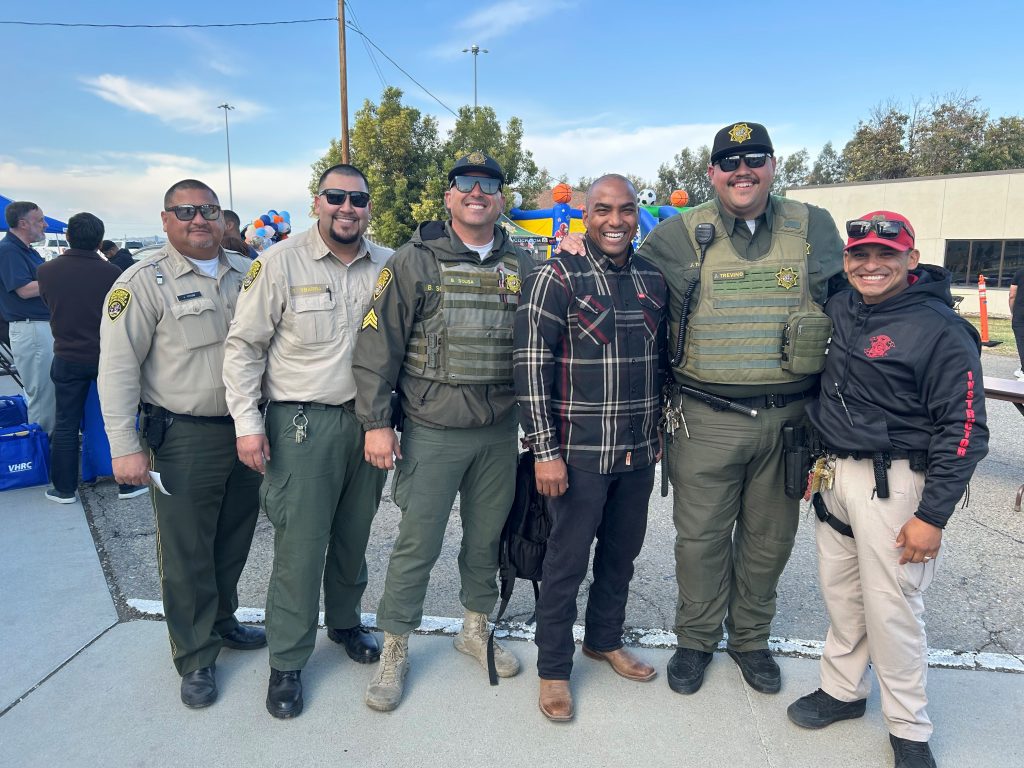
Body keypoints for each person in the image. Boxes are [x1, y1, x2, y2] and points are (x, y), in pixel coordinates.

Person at [564, 122, 845, 696]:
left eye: (755, 159)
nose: (743, 171)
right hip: (704, 417)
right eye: (729, 161)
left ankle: (749, 641)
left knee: (769, 541)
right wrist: (577, 245)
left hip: (789, 420)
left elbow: (853, 299)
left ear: (773, 165)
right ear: (712, 172)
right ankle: (695, 641)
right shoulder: (675, 235)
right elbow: (622, 270)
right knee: (700, 541)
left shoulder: (813, 225)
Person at [787, 211, 987, 768]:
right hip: (835, 476)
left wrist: (933, 517)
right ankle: (843, 692)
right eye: (861, 255)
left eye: (886, 255)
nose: (871, 265)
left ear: (911, 260)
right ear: (847, 260)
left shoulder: (941, 329)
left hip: (897, 483)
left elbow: (967, 429)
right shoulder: (841, 306)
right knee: (844, 598)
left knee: (893, 608)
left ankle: (908, 726)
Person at [352, 151, 531, 711]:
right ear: (449, 196)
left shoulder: (522, 262)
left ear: (501, 198)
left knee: (485, 542)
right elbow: (377, 346)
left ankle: (474, 629)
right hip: (432, 430)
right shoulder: (415, 260)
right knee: (416, 546)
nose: (477, 192)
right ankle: (395, 649)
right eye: (465, 184)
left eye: (489, 185)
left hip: (498, 431)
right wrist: (377, 424)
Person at [223, 164, 393, 719]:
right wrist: (247, 425)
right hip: (301, 424)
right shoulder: (277, 262)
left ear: (369, 205)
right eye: (335, 197)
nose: (347, 208)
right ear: (317, 202)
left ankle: (345, 622)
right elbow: (244, 347)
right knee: (299, 549)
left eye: (358, 199)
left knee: (353, 535)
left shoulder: (389, 265)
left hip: (368, 424)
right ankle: (288, 662)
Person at [98, 179, 265, 709]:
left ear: (223, 218)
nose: (200, 220)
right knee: (187, 549)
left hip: (247, 431)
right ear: (166, 219)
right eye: (186, 211)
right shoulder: (142, 282)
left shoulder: (250, 273)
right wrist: (124, 445)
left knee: (234, 538)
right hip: (185, 436)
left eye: (209, 210)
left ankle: (222, 620)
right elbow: (118, 368)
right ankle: (195, 656)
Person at [514, 174, 667, 721]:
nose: (616, 221)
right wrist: (543, 452)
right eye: (603, 210)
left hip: (637, 452)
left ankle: (604, 640)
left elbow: (661, 365)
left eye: (626, 210)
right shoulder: (557, 275)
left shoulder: (653, 278)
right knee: (565, 563)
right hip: (576, 454)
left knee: (621, 557)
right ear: (585, 214)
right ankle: (553, 669)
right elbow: (531, 366)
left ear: (636, 214)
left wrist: (660, 443)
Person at [37, 212, 145, 503]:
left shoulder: (46, 272)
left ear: (68, 237)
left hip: (67, 355)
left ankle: (63, 488)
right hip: (108, 356)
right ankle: (127, 483)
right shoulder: (113, 274)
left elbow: (48, 305)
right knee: (116, 419)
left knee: (67, 423)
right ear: (100, 241)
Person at [0, 201, 56, 434]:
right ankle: (42, 455)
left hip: (39, 328)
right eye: (40, 220)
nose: (44, 225)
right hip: (31, 329)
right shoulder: (9, 251)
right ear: (23, 224)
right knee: (42, 396)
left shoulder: (25, 250)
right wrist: (61, 279)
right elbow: (24, 289)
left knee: (48, 393)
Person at [1009, 266, 1024, 380]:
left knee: (1022, 341)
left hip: (1021, 313)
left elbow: (1012, 295)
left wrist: (1012, 311)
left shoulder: (1020, 272)